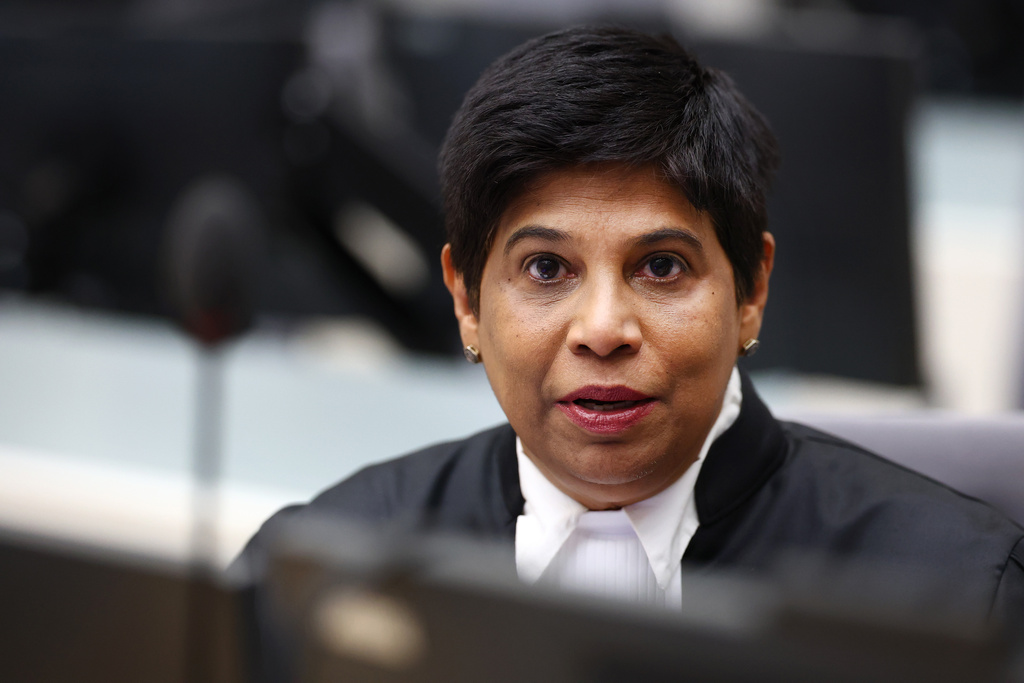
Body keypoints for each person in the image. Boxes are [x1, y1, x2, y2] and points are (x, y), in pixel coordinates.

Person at [237, 24, 1022, 635]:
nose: (604, 329)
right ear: (467, 302)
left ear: (750, 290)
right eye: (546, 269)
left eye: (661, 268)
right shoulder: (322, 563)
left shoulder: (965, 596)